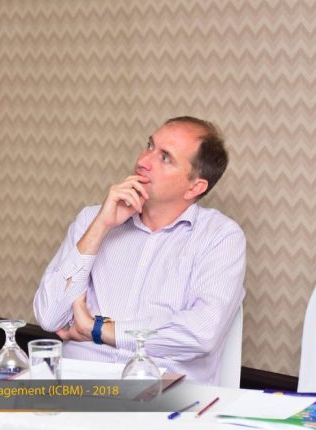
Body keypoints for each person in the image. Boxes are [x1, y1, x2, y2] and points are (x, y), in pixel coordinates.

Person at [33, 117, 245, 384]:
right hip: (78, 386)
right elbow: (49, 316)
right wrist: (101, 225)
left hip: (162, 393)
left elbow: (201, 333)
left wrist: (96, 329)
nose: (143, 161)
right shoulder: (92, 219)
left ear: (195, 186)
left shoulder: (220, 237)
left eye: (165, 158)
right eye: (149, 146)